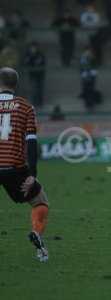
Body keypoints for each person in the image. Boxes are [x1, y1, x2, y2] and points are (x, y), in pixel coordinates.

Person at [0, 67, 49, 262]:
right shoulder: (26, 107)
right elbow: (31, 142)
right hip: (14, 168)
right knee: (40, 202)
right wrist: (32, 174)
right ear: (16, 84)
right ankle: (37, 235)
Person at [23, 42, 46, 107]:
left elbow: (40, 63)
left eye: (34, 48)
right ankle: (34, 102)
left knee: (39, 89)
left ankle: (39, 103)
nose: (33, 49)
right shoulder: (28, 55)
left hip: (40, 75)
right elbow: (26, 62)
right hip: (32, 75)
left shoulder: (40, 54)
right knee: (33, 89)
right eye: (32, 48)